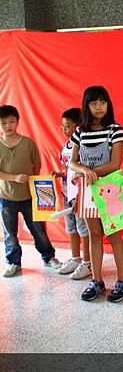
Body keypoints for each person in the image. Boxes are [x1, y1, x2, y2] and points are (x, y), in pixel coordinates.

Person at [69, 86, 123, 302]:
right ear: (86, 106)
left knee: (114, 235)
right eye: (94, 103)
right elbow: (72, 163)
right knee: (94, 234)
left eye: (102, 102)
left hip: (110, 188)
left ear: (108, 105)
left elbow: (115, 164)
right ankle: (97, 281)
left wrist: (90, 171)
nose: (98, 107)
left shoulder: (116, 129)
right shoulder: (80, 131)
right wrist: (85, 171)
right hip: (87, 188)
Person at [0, 105, 61, 277]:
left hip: (29, 196)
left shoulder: (28, 143)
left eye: (11, 121)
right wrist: (13, 178)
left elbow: (37, 164)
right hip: (6, 197)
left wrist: (35, 182)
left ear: (18, 122)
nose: (8, 126)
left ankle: (49, 257)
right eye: (3, 123)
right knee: (9, 232)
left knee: (38, 229)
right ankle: (13, 262)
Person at [53, 108, 91, 279]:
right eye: (63, 126)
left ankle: (87, 262)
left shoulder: (83, 147)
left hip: (79, 195)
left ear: (78, 127)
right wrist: (60, 175)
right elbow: (68, 170)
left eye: (67, 126)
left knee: (84, 229)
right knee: (71, 227)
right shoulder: (65, 147)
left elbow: (83, 172)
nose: (64, 129)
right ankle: (75, 257)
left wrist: (79, 196)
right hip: (66, 193)